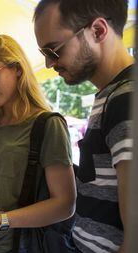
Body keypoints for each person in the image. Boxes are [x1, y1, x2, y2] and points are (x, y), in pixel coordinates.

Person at [0, 34, 76, 253]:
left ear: (17, 68)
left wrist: (1, 220)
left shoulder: (47, 125)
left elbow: (64, 205)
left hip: (15, 247)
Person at [33, 1, 133, 252]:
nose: (49, 64)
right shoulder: (110, 96)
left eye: (53, 51)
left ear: (98, 31)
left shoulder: (126, 98)